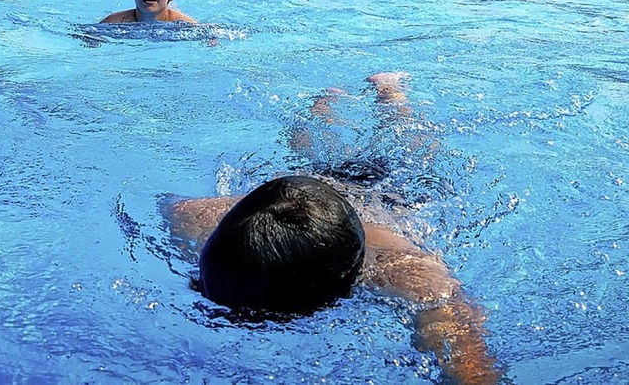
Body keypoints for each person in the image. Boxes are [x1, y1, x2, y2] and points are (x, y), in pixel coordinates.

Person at [166, 73, 500, 385]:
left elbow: (470, 365)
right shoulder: (194, 218)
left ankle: (390, 91)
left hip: (393, 199)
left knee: (413, 146)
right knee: (308, 151)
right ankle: (324, 101)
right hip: (313, 190)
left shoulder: (405, 270)